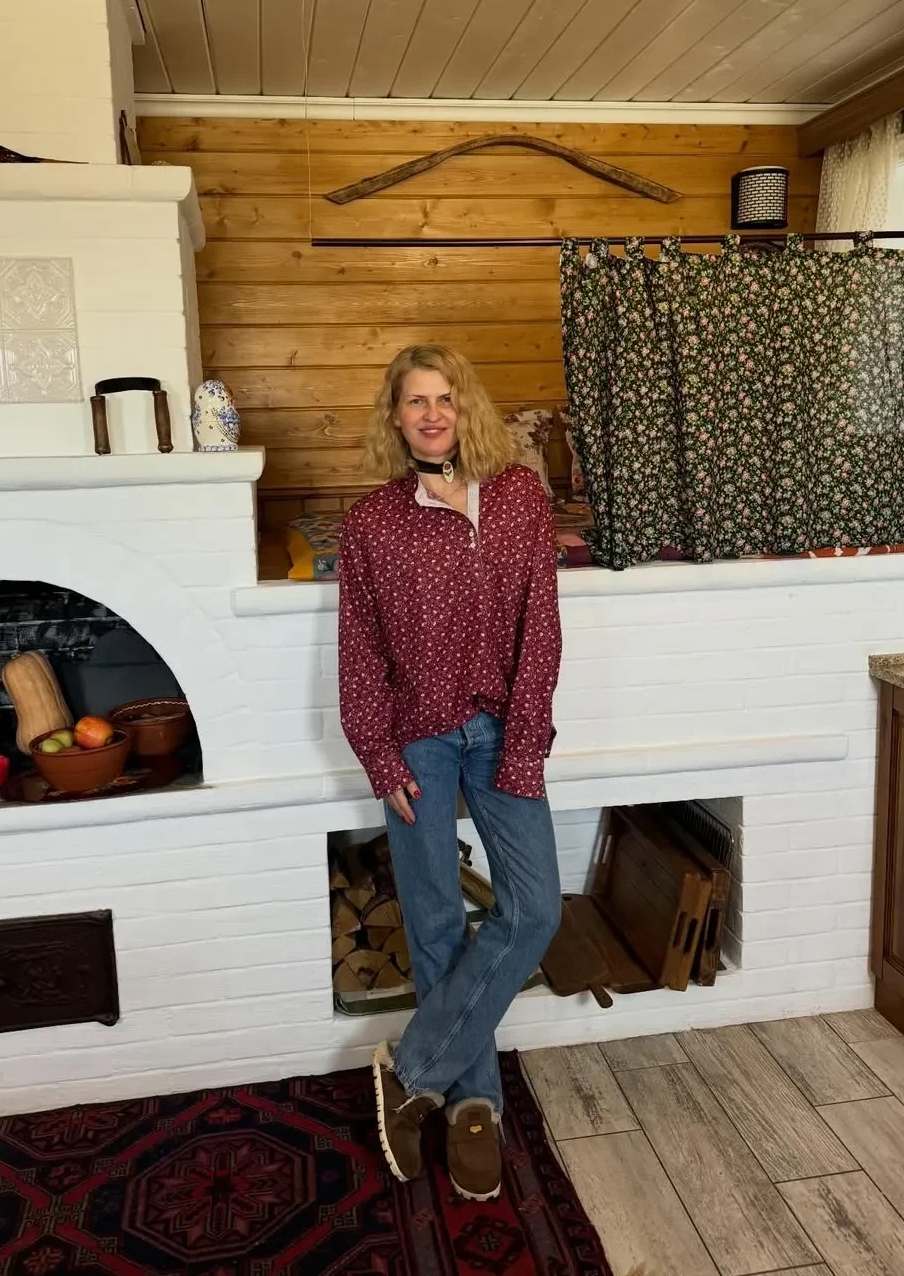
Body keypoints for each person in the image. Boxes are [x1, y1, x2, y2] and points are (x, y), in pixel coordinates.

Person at [337, 344, 563, 1203]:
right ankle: (474, 1105)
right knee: (435, 921)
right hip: (416, 741)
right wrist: (378, 752)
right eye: (415, 401)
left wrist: (525, 740)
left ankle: (414, 1070)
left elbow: (540, 628)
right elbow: (360, 647)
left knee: (533, 910)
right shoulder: (372, 522)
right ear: (395, 417)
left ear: (466, 407)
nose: (432, 414)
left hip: (502, 729)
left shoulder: (518, 498)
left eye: (445, 398)